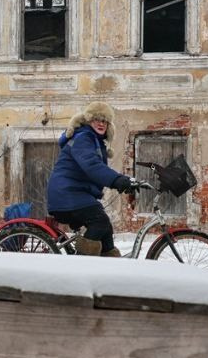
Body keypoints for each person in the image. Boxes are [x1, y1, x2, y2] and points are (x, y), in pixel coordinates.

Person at [45, 101, 138, 257]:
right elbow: (92, 166)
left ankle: (109, 267)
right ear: (88, 120)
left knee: (105, 227)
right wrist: (117, 180)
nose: (101, 124)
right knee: (99, 222)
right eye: (97, 119)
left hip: (75, 194)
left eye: (104, 121)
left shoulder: (94, 141)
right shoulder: (83, 138)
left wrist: (124, 180)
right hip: (66, 194)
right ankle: (82, 265)